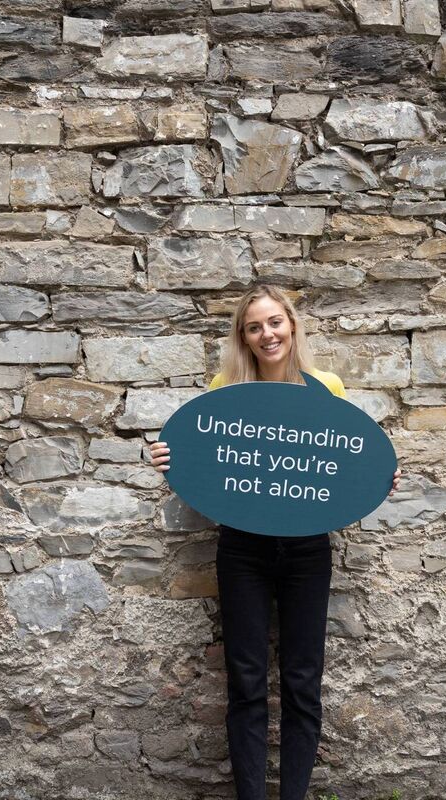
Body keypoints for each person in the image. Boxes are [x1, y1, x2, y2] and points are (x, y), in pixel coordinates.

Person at [149, 285, 399, 800]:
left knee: (303, 681)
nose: (267, 334)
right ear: (243, 337)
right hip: (242, 549)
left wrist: (377, 478)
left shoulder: (326, 387)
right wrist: (167, 459)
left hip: (307, 550)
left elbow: (342, 461)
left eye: (275, 322)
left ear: (292, 325)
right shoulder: (225, 389)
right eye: (254, 327)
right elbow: (207, 459)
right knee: (246, 681)